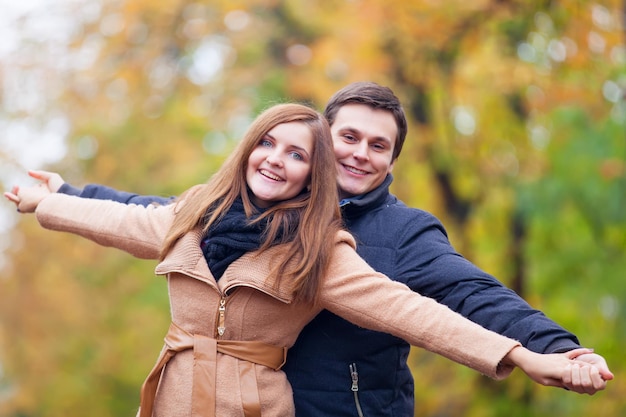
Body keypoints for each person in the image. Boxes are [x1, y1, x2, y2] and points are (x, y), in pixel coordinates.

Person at [7, 86, 614, 415]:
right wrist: (59, 198)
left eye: (378, 146)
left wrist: (539, 352)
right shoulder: (209, 211)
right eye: (347, 136)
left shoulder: (349, 243)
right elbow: (141, 215)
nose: (359, 153)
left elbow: (443, 304)